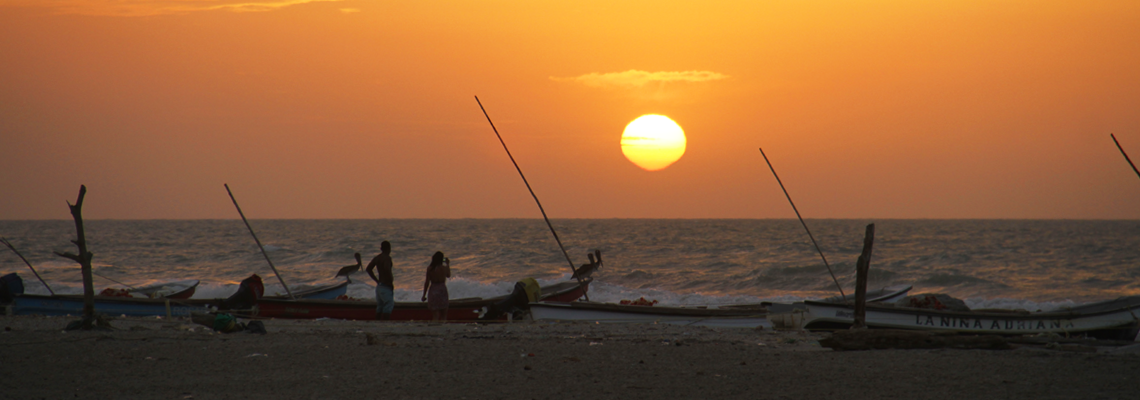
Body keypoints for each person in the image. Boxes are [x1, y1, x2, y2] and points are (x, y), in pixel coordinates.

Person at [365, 241, 395, 321]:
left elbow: (368, 269)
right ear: (389, 248)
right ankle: (385, 322)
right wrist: (390, 282)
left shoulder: (377, 258)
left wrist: (376, 280)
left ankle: (378, 322)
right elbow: (386, 268)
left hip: (379, 285)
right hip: (386, 285)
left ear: (381, 248)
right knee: (389, 304)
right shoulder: (387, 258)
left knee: (380, 306)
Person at [421, 251, 451, 321]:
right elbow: (448, 275)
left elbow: (427, 282)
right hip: (442, 289)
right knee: (444, 314)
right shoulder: (444, 268)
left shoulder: (430, 269)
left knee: (435, 315)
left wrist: (424, 295)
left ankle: (435, 328)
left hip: (433, 289)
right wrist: (448, 264)